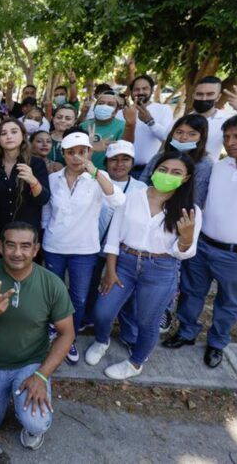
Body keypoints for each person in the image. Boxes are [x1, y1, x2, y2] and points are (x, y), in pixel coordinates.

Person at [164, 113, 237, 368]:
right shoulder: (220, 165)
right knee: (191, 293)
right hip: (204, 245)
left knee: (229, 302)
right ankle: (186, 332)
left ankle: (217, 342)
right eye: (227, 137)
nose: (231, 142)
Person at [86, 152, 201, 379]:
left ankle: (135, 363)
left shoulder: (190, 210)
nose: (167, 175)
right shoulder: (133, 196)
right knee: (102, 311)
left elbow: (185, 253)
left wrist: (186, 237)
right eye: (163, 169)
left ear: (186, 178)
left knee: (148, 321)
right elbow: (114, 237)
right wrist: (109, 270)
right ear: (154, 170)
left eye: (176, 173)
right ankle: (101, 340)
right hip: (125, 264)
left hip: (161, 269)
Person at [0, 221, 74, 451]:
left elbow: (67, 334)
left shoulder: (52, 283)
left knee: (37, 423)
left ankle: (25, 406)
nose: (17, 253)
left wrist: (42, 376)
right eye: (11, 245)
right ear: (1, 246)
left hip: (31, 364)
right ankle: (13, 397)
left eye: (25, 246)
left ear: (36, 249)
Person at [41, 130, 125, 364]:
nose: (76, 157)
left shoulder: (98, 178)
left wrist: (96, 172)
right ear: (64, 154)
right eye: (71, 153)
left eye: (82, 152)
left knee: (77, 298)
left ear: (89, 152)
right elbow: (47, 211)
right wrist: (46, 232)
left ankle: (69, 338)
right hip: (54, 246)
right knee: (52, 294)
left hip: (84, 249)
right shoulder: (53, 178)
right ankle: (51, 329)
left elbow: (118, 201)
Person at [83, 141, 147, 334]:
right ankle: (87, 320)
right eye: (114, 160)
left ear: (132, 162)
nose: (119, 164)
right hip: (91, 247)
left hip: (121, 251)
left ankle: (128, 331)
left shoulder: (140, 188)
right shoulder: (91, 179)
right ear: (106, 162)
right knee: (89, 285)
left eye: (125, 159)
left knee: (117, 289)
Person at [0, 119, 49, 256]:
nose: (9, 136)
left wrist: (32, 181)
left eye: (14, 132)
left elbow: (43, 199)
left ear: (23, 136)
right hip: (1, 237)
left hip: (28, 237)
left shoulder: (36, 164)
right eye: (3, 133)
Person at [140, 114, 213, 207]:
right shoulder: (161, 155)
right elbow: (143, 182)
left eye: (192, 134)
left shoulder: (204, 163)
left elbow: (196, 199)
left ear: (201, 137)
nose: (183, 138)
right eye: (179, 132)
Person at [122, 74, 174, 177]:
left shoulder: (163, 109)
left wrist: (150, 121)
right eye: (136, 89)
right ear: (131, 92)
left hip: (149, 170)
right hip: (123, 169)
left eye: (144, 89)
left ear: (151, 90)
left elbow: (168, 138)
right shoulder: (123, 112)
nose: (140, 92)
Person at [80, 91, 126, 166]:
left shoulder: (122, 126)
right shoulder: (83, 126)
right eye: (101, 103)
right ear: (94, 107)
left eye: (110, 105)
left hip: (107, 174)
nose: (104, 106)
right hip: (83, 171)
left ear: (116, 111)